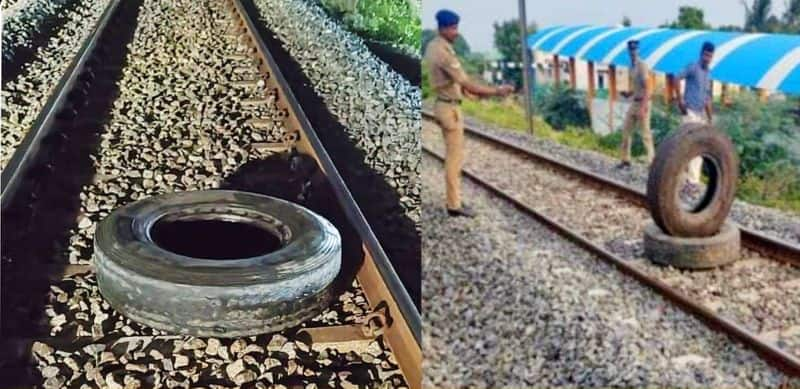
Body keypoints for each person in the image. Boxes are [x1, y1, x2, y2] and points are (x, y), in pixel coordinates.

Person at [424, 9, 513, 218]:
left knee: (453, 157)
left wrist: (471, 92)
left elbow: (455, 82)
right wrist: (497, 92)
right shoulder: (444, 53)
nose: (456, 32)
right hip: (449, 109)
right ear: (444, 28)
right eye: (453, 28)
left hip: (444, 103)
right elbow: (466, 83)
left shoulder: (433, 46)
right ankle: (454, 205)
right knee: (454, 159)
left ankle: (453, 200)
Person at [672, 41, 715, 185]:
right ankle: (684, 180)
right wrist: (680, 101)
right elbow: (677, 78)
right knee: (687, 146)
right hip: (689, 112)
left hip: (701, 115)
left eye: (710, 56)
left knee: (698, 150)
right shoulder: (693, 67)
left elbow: (708, 97)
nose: (707, 58)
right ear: (701, 54)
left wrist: (710, 118)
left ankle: (691, 182)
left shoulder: (708, 74)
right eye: (705, 55)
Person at [617, 39, 654, 169]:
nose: (633, 52)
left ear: (638, 50)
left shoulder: (642, 65)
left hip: (643, 102)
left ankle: (651, 162)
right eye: (631, 49)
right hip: (635, 102)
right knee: (626, 131)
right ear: (628, 51)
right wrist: (628, 93)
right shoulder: (631, 66)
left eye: (635, 49)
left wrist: (643, 107)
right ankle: (625, 159)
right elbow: (638, 86)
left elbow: (648, 88)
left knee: (645, 134)